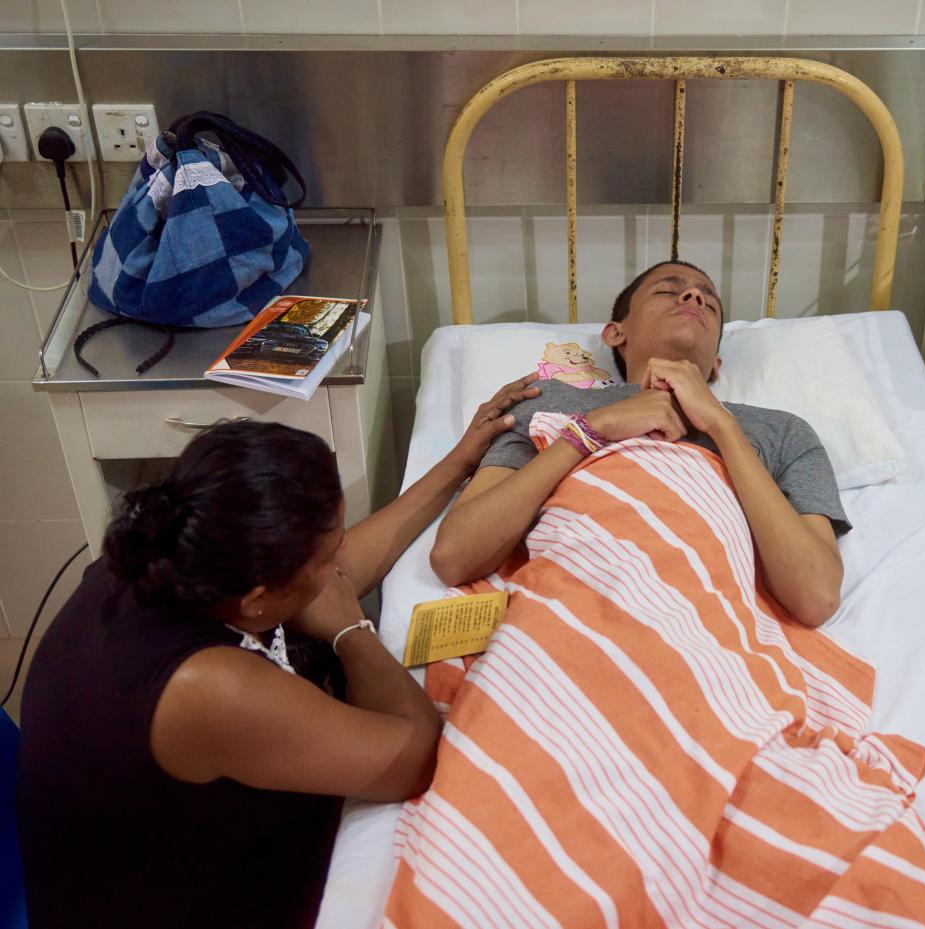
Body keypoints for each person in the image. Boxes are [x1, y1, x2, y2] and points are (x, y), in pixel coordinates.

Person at [16, 375, 539, 929]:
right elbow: (413, 760)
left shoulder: (166, 561)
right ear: (260, 597)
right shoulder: (208, 688)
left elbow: (332, 574)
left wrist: (460, 462)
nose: (337, 563)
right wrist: (352, 632)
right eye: (323, 557)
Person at [430, 260, 849, 627]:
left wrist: (722, 427)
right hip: (569, 616)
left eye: (710, 301)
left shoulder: (783, 431)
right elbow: (456, 556)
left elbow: (814, 598)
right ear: (615, 333)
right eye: (669, 289)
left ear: (717, 365)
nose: (692, 295)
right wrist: (589, 432)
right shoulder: (550, 402)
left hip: (706, 626)